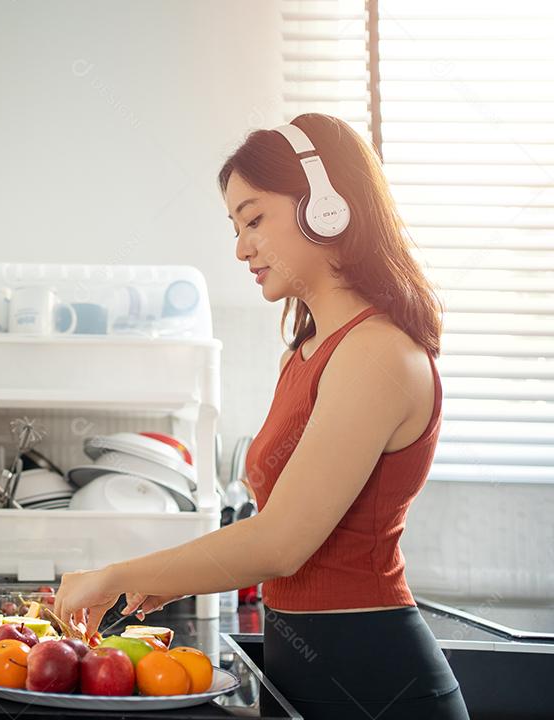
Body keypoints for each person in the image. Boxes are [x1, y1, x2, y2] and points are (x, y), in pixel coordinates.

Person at [53, 113, 469, 719]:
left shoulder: (377, 352)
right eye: (235, 226)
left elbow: (281, 543)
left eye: (254, 219)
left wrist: (116, 574)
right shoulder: (305, 352)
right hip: (304, 672)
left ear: (325, 207)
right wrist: (161, 579)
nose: (241, 247)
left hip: (379, 682)